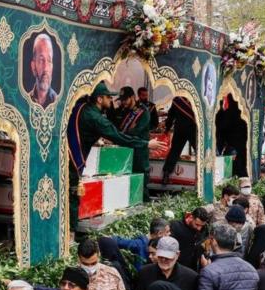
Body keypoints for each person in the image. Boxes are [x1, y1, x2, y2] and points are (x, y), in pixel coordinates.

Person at [66, 82, 157, 231]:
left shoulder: (80, 108)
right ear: (99, 99)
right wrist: (146, 144)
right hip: (72, 161)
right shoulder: (96, 118)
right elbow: (119, 136)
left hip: (63, 156)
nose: (111, 100)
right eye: (108, 97)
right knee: (73, 195)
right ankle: (70, 235)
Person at [134, 236, 199, 290]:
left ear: (177, 255)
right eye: (161, 256)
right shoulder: (145, 272)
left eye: (168, 257)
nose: (163, 260)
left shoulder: (191, 277)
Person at [116, 86, 155, 201]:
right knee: (126, 180)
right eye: (122, 100)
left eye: (125, 99)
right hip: (126, 149)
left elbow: (135, 131)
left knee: (141, 180)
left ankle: (145, 204)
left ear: (132, 97)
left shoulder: (143, 111)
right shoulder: (123, 111)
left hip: (140, 150)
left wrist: (121, 135)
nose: (123, 102)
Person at [161, 96, 197, 185]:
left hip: (179, 129)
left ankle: (166, 174)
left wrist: (167, 128)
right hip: (192, 128)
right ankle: (203, 175)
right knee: (199, 151)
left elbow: (171, 116)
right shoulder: (195, 98)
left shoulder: (176, 100)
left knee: (174, 151)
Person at [27, 33, 58, 108]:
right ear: (33, 66)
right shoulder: (25, 101)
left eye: (49, 61)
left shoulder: (58, 102)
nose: (46, 68)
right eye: (41, 60)